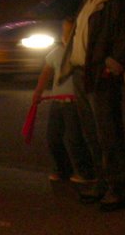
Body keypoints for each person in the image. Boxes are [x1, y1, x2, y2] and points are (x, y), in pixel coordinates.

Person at [59, 0, 125, 211]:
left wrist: (112, 66)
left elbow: (124, 39)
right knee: (92, 131)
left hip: (100, 75)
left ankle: (118, 187)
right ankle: (103, 183)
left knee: (108, 132)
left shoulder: (118, 0)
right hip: (82, 72)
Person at [32, 17, 94, 184]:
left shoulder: (80, 53)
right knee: (53, 137)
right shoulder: (56, 52)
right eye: (64, 32)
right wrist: (38, 91)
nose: (65, 36)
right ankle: (62, 169)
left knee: (75, 138)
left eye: (69, 32)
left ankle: (86, 171)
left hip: (73, 102)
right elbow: (46, 71)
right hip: (57, 103)